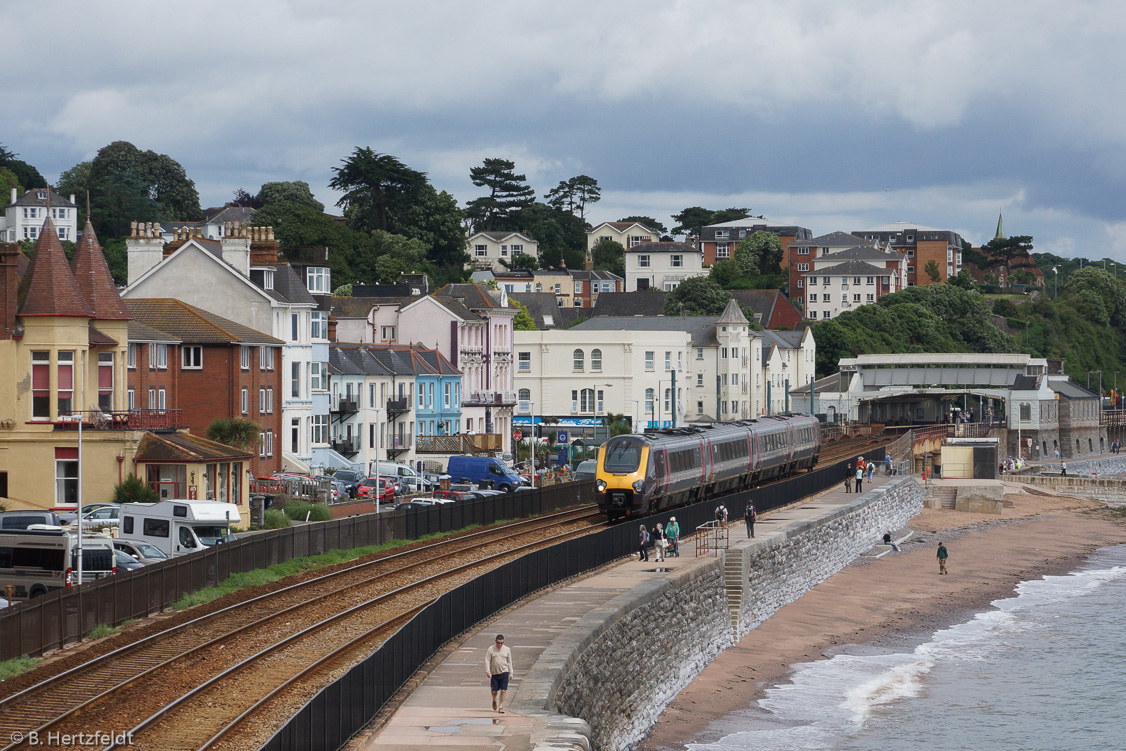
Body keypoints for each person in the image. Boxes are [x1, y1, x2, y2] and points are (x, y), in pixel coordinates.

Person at [486, 634, 514, 712]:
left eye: (501, 643)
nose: (500, 645)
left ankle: (501, 706)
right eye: (498, 643)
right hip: (494, 673)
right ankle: (494, 700)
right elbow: (487, 660)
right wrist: (488, 671)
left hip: (504, 672)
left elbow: (509, 662)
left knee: (503, 690)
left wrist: (511, 673)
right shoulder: (491, 649)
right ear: (495, 641)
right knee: (494, 691)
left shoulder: (507, 649)